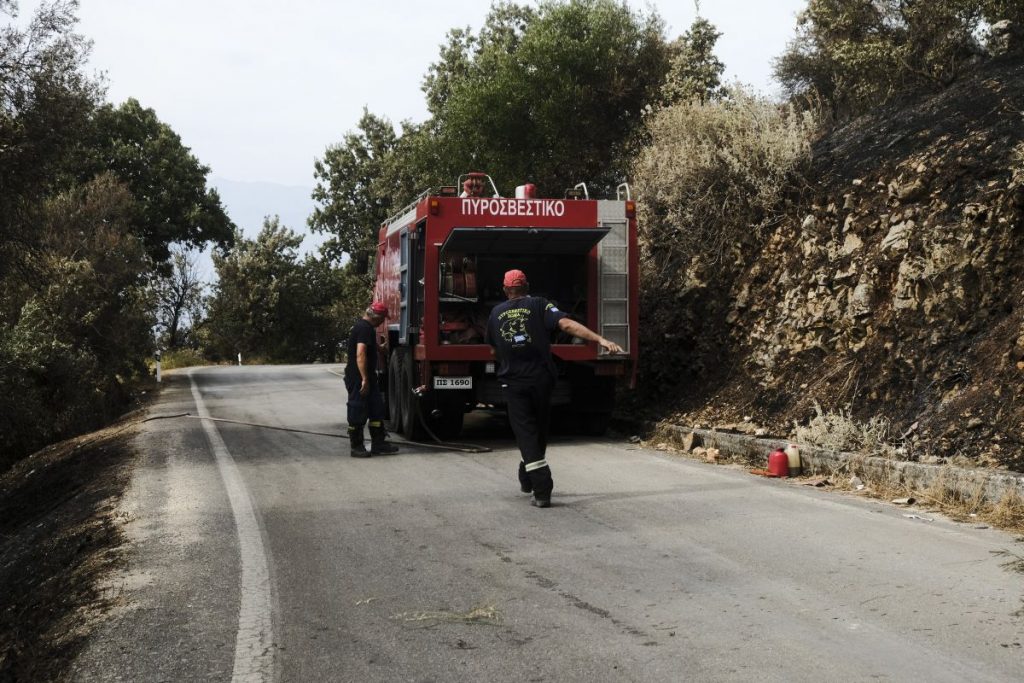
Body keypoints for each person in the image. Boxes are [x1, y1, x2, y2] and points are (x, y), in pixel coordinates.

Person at [485, 269, 624, 507]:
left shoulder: (495, 313)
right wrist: (600, 339)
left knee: (526, 434)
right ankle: (528, 476)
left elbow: (493, 350)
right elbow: (567, 325)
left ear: (506, 289)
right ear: (527, 286)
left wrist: (509, 362)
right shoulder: (540, 305)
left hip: (514, 383)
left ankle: (541, 489)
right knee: (538, 430)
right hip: (541, 380)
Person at [345, 302, 400, 457]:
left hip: (368, 377)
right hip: (358, 379)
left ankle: (379, 444)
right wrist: (364, 379)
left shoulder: (366, 328)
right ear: (377, 317)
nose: (383, 321)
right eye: (383, 318)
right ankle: (356, 446)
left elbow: (367, 344)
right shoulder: (363, 328)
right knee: (357, 411)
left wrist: (379, 348)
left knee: (376, 410)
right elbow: (360, 353)